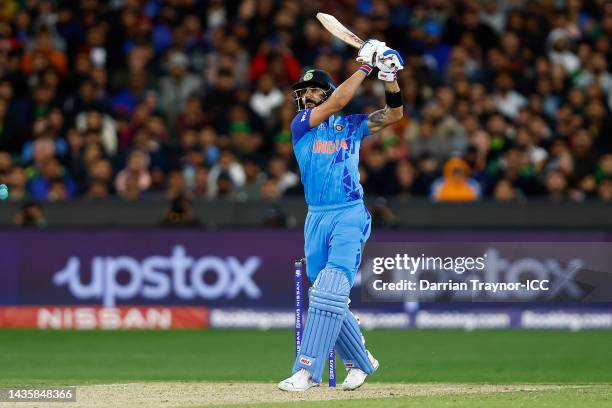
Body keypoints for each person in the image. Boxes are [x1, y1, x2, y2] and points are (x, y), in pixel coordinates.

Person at [278, 39, 404, 392]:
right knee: (324, 294)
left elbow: (394, 114)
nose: (308, 96)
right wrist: (365, 66)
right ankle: (362, 362)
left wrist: (390, 77)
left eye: (315, 90)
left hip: (349, 213)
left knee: (330, 291)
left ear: (327, 91)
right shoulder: (301, 124)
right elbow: (340, 100)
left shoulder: (350, 125)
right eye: (304, 92)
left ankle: (306, 370)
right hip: (315, 217)